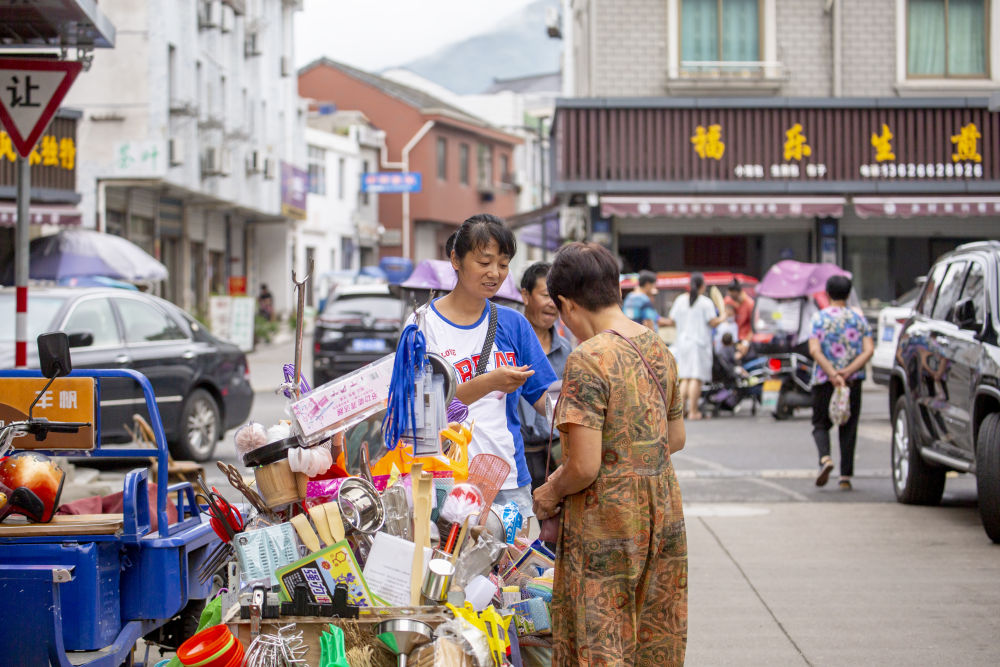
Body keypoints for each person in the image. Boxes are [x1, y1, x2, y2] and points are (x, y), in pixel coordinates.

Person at [533, 242, 687, 666]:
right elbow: (674, 438)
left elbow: (583, 466)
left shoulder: (589, 358)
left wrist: (549, 491)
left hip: (608, 518)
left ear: (565, 304)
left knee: (601, 634)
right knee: (654, 631)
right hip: (663, 509)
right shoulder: (659, 347)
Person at [408, 214, 557, 519]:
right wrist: (487, 383)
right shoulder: (422, 325)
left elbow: (546, 398)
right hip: (445, 481)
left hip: (508, 481)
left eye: (503, 265)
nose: (495, 273)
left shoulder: (513, 324)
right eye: (484, 262)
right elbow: (421, 415)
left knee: (518, 567)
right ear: (455, 259)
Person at [808, 274, 874, 490]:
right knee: (848, 427)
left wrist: (832, 373)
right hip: (851, 382)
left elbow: (814, 350)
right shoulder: (858, 319)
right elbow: (869, 350)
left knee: (820, 424)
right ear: (848, 294)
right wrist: (846, 372)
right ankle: (845, 477)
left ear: (827, 293)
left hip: (824, 380)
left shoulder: (819, 318)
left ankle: (825, 458)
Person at [517, 262, 572, 492]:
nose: (552, 304)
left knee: (555, 526)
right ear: (526, 296)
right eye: (546, 295)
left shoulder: (566, 349)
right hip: (519, 452)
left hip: (555, 453)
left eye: (557, 297)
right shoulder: (508, 343)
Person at [665, 272, 726, 420]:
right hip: (699, 345)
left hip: (683, 344)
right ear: (702, 286)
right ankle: (693, 411)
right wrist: (723, 317)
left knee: (685, 378)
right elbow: (712, 322)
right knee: (695, 379)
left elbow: (672, 320)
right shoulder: (705, 303)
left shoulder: (680, 300)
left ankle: (682, 411)